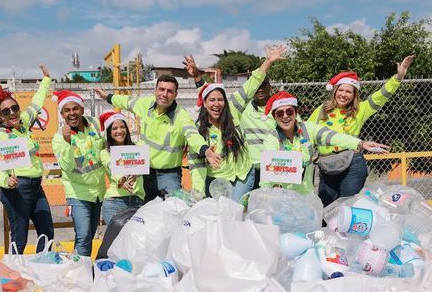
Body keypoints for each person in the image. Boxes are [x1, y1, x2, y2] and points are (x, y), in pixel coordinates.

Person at [309, 55, 415, 206]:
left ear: (354, 96)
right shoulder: (322, 110)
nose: (344, 94)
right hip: (327, 164)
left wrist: (398, 77)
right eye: (341, 90)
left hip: (352, 163)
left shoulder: (360, 110)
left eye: (349, 92)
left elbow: (380, 96)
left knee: (349, 207)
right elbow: (306, 132)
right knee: (326, 209)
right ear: (335, 91)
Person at [185, 45, 287, 201]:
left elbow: (251, 85)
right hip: (216, 180)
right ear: (204, 104)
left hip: (242, 176)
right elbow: (197, 167)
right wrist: (198, 194)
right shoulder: (198, 132)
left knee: (235, 210)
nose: (216, 104)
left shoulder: (233, 109)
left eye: (220, 100)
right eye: (212, 100)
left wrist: (268, 62)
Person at [94, 77, 221, 201]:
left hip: (169, 176)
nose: (164, 94)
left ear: (176, 94)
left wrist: (206, 151)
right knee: (146, 215)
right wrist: (107, 97)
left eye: (170, 91)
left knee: (173, 210)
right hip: (144, 173)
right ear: (155, 90)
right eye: (161, 89)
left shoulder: (181, 115)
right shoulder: (145, 104)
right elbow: (126, 101)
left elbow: (192, 135)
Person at [261, 91, 389, 194]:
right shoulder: (271, 138)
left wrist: (360, 143)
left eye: (289, 111)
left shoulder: (308, 128)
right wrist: (265, 195)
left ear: (296, 112)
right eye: (279, 113)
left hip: (305, 195)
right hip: (280, 195)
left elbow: (333, 137)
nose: (285, 116)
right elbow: (269, 169)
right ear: (274, 116)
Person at [0, 64, 53, 254]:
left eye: (14, 108)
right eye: (6, 111)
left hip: (36, 186)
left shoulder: (24, 123)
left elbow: (37, 103)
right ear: (0, 117)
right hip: (17, 189)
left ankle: (42, 269)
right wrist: (6, 180)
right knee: (19, 239)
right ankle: (12, 279)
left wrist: (46, 80)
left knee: (47, 232)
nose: (12, 113)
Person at [52, 90, 105, 257]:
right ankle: (82, 273)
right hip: (77, 192)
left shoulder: (95, 125)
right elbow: (67, 166)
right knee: (83, 235)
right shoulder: (59, 137)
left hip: (98, 191)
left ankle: (79, 266)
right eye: (67, 110)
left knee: (89, 234)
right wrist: (68, 142)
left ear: (82, 109)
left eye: (75, 108)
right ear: (62, 114)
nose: (72, 113)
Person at [99, 111, 146, 224]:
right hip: (114, 202)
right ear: (109, 132)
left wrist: (137, 173)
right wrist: (122, 179)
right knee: (116, 239)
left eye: (122, 127)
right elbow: (112, 167)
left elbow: (143, 165)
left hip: (137, 200)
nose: (119, 131)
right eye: (114, 128)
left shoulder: (138, 148)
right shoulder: (105, 153)